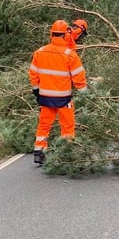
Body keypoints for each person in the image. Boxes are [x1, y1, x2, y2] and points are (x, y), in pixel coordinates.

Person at [29, 19, 88, 166]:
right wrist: (86, 94)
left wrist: (36, 90)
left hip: (45, 97)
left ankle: (39, 151)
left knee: (44, 125)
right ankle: (66, 153)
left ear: (51, 34)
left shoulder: (39, 52)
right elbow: (78, 77)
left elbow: (33, 74)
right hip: (63, 98)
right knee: (67, 126)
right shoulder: (70, 55)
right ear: (65, 34)